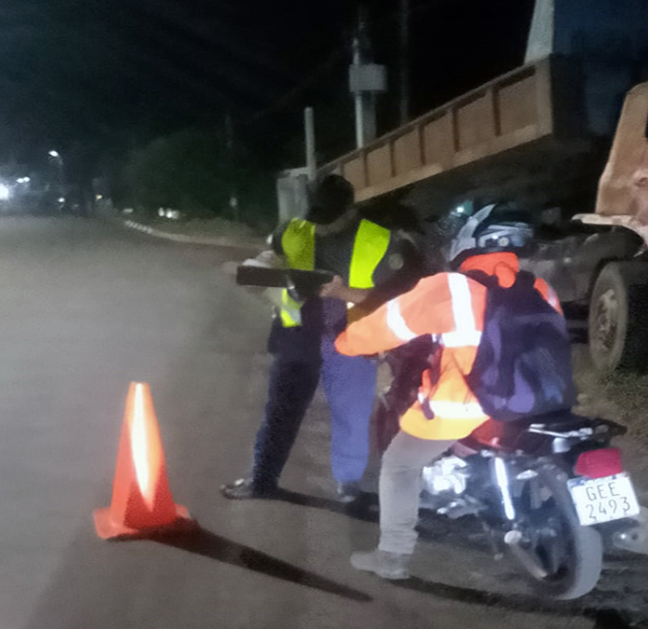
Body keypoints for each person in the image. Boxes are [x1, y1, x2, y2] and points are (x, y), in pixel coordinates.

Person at [330, 203, 562, 579]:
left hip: (465, 406)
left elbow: (385, 326)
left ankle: (392, 556)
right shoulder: (540, 287)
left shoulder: (450, 288)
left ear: (468, 241)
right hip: (537, 400)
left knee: (400, 464)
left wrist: (344, 342)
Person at [221, 174, 421, 503]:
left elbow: (392, 299)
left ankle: (349, 487)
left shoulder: (379, 240)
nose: (321, 227)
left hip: (352, 340)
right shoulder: (293, 230)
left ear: (348, 210)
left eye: (329, 219)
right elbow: (272, 257)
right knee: (280, 412)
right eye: (316, 218)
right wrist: (252, 270)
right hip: (298, 336)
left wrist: (342, 291)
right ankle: (262, 479)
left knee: (351, 415)